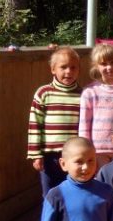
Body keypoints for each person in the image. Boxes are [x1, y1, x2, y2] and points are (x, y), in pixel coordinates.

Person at [28, 46, 82, 196]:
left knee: (72, 192)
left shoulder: (82, 95)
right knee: (50, 194)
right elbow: (35, 125)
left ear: (79, 70)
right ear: (53, 69)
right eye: (63, 67)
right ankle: (50, 212)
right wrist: (36, 154)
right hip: (49, 156)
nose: (68, 71)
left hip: (73, 155)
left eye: (73, 67)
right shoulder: (44, 93)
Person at [79, 43, 113, 168]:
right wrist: (86, 148)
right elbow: (84, 124)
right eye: (103, 64)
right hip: (97, 151)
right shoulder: (90, 92)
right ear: (96, 66)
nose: (109, 67)